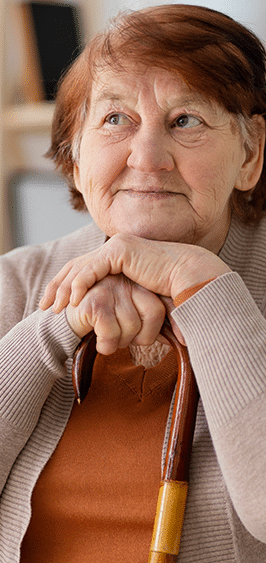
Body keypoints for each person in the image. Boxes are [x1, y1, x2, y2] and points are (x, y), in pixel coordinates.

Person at [1, 3, 266, 561]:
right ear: (74, 158)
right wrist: (54, 328)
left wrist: (204, 286)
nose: (148, 157)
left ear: (251, 153)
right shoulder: (17, 283)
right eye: (116, 119)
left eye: (186, 120)